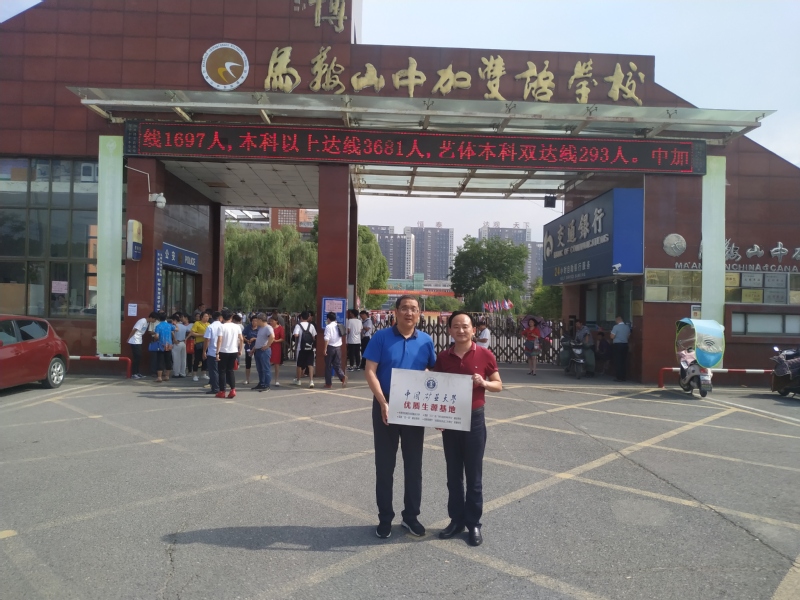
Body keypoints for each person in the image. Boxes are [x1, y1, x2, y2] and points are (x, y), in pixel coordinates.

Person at [363, 295, 437, 539]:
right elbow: (370, 371)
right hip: (385, 404)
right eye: (404, 308)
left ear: (419, 314)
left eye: (413, 309)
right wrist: (382, 402)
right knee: (385, 465)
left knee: (414, 466)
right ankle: (385, 518)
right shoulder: (381, 337)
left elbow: (432, 371)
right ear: (395, 312)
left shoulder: (426, 340)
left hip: (414, 407)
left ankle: (411, 517)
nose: (409, 312)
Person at [435, 311, 502, 547]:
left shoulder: (484, 354)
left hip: (474, 419)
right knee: (453, 475)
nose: (461, 330)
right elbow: (437, 388)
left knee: (474, 476)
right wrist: (438, 416)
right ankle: (456, 521)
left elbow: (498, 384)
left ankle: (474, 523)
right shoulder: (443, 357)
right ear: (449, 331)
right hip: (451, 420)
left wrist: (484, 383)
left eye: (465, 326)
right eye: (456, 326)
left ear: (473, 330)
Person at [216, 309, 243, 398]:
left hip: (223, 351)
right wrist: (240, 350)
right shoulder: (237, 327)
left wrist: (217, 352)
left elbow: (220, 340)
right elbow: (241, 339)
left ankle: (222, 391)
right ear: (231, 317)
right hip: (233, 350)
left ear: (222, 317)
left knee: (222, 371)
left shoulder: (221, 327)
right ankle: (233, 389)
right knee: (230, 370)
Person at [127, 311, 155, 379]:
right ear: (151, 317)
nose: (154, 321)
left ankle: (137, 372)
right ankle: (134, 373)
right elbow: (134, 330)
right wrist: (129, 338)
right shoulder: (142, 321)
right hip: (134, 340)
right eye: (154, 319)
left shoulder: (147, 323)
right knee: (137, 357)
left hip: (139, 340)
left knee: (139, 357)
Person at [292, 311, 317, 388]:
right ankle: (311, 381)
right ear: (308, 317)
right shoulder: (311, 325)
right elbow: (314, 336)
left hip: (301, 348)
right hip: (310, 348)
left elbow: (296, 335)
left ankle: (298, 380)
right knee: (310, 364)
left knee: (299, 364)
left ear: (301, 317)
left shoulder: (298, 325)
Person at [323, 312, 348, 389]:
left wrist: (325, 349)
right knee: (337, 365)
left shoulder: (328, 327)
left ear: (328, 319)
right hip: (338, 348)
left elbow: (327, 339)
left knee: (328, 366)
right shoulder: (339, 325)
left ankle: (328, 384)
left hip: (330, 348)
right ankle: (342, 377)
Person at [252, 312, 275, 391]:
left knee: (265, 368)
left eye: (257, 320)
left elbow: (272, 337)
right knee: (260, 369)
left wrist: (267, 345)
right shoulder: (261, 328)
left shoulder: (268, 328)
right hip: (258, 350)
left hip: (264, 351)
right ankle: (261, 383)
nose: (256, 322)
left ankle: (266, 385)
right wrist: (254, 349)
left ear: (260, 320)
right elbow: (259, 340)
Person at [203, 311, 223, 395]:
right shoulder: (223, 326)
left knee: (213, 371)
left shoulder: (210, 327)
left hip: (212, 351)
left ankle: (215, 388)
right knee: (222, 370)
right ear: (220, 318)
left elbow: (207, 340)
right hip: (223, 351)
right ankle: (222, 387)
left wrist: (204, 351)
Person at [153, 312, 175, 383]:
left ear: (159, 319)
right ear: (166, 318)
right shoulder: (169, 325)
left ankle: (159, 377)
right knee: (168, 360)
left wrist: (155, 339)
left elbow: (156, 336)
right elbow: (177, 329)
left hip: (161, 345)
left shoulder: (158, 326)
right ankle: (167, 376)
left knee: (160, 360)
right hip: (169, 345)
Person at [189, 311, 210, 382]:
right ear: (201, 317)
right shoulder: (197, 323)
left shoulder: (209, 324)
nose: (207, 318)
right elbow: (192, 333)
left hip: (207, 343)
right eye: (205, 316)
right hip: (199, 343)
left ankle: (204, 373)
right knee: (197, 359)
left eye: (207, 316)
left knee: (205, 359)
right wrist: (202, 335)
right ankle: (195, 374)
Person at [610, 316, 631, 382]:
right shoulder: (627, 327)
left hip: (617, 345)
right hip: (625, 345)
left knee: (618, 361)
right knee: (623, 361)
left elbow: (612, 336)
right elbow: (628, 336)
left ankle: (619, 377)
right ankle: (623, 377)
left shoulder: (616, 327)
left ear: (618, 319)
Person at [171, 312, 190, 378]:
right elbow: (191, 331)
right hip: (183, 343)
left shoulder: (174, 326)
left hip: (177, 343)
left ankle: (176, 373)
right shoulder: (184, 326)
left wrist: (174, 339)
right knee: (183, 359)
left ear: (175, 320)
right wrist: (186, 338)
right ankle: (183, 373)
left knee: (176, 359)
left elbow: (172, 332)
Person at [242, 315, 259, 385]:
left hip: (257, 347)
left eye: (256, 321)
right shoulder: (248, 327)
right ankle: (247, 379)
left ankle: (260, 379)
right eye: (253, 321)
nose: (254, 322)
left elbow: (262, 338)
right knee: (248, 363)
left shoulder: (260, 328)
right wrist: (246, 340)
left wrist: (254, 339)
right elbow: (242, 335)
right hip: (249, 347)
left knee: (258, 363)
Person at [268, 315, 284, 387]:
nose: (271, 322)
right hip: (269, 346)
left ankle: (276, 380)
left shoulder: (280, 328)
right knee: (267, 363)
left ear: (276, 321)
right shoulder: (268, 327)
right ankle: (267, 379)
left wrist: (276, 340)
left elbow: (282, 338)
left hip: (277, 346)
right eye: (270, 321)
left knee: (276, 364)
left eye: (272, 321)